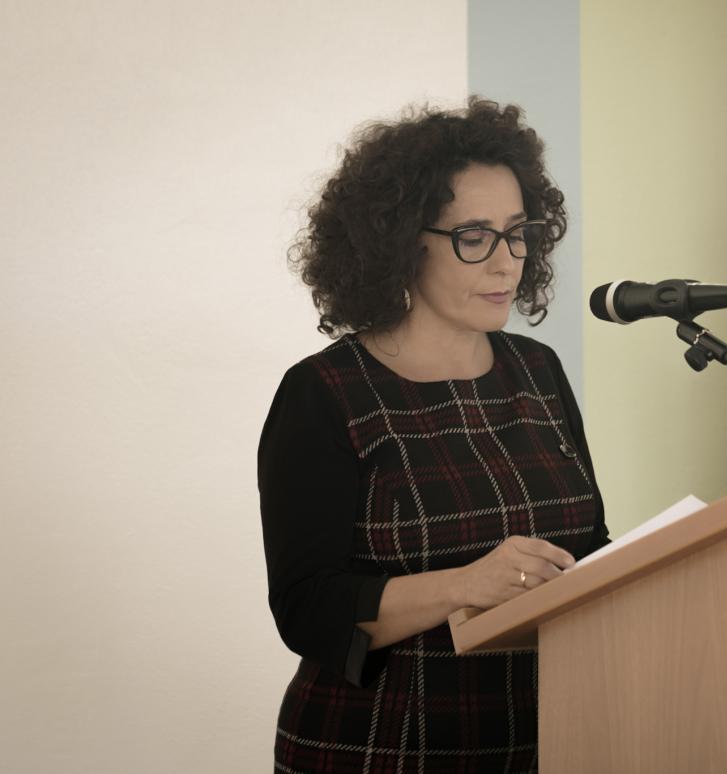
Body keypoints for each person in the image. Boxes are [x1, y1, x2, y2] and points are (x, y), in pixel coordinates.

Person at [257, 98, 608, 773]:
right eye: (474, 237)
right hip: (377, 746)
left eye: (518, 233)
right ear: (400, 244)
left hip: (542, 741)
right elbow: (309, 609)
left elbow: (585, 545)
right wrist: (466, 585)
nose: (507, 263)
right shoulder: (324, 393)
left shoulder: (539, 371)